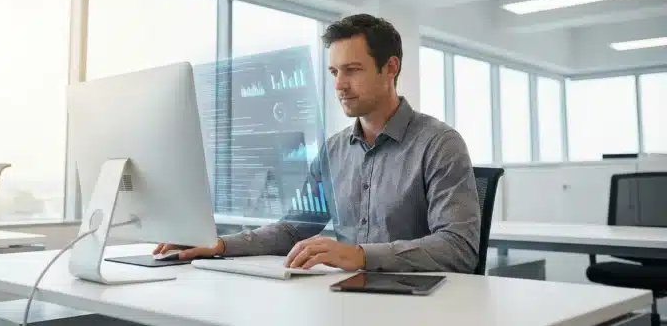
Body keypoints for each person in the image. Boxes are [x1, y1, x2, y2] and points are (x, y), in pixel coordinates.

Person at [155, 14, 481, 273]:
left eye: (352, 70)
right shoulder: (334, 151)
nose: (339, 84)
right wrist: (220, 245)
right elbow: (293, 229)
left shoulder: (440, 144)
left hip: (419, 304)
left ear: (390, 68)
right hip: (347, 297)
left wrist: (360, 255)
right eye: (334, 71)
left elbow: (459, 247)